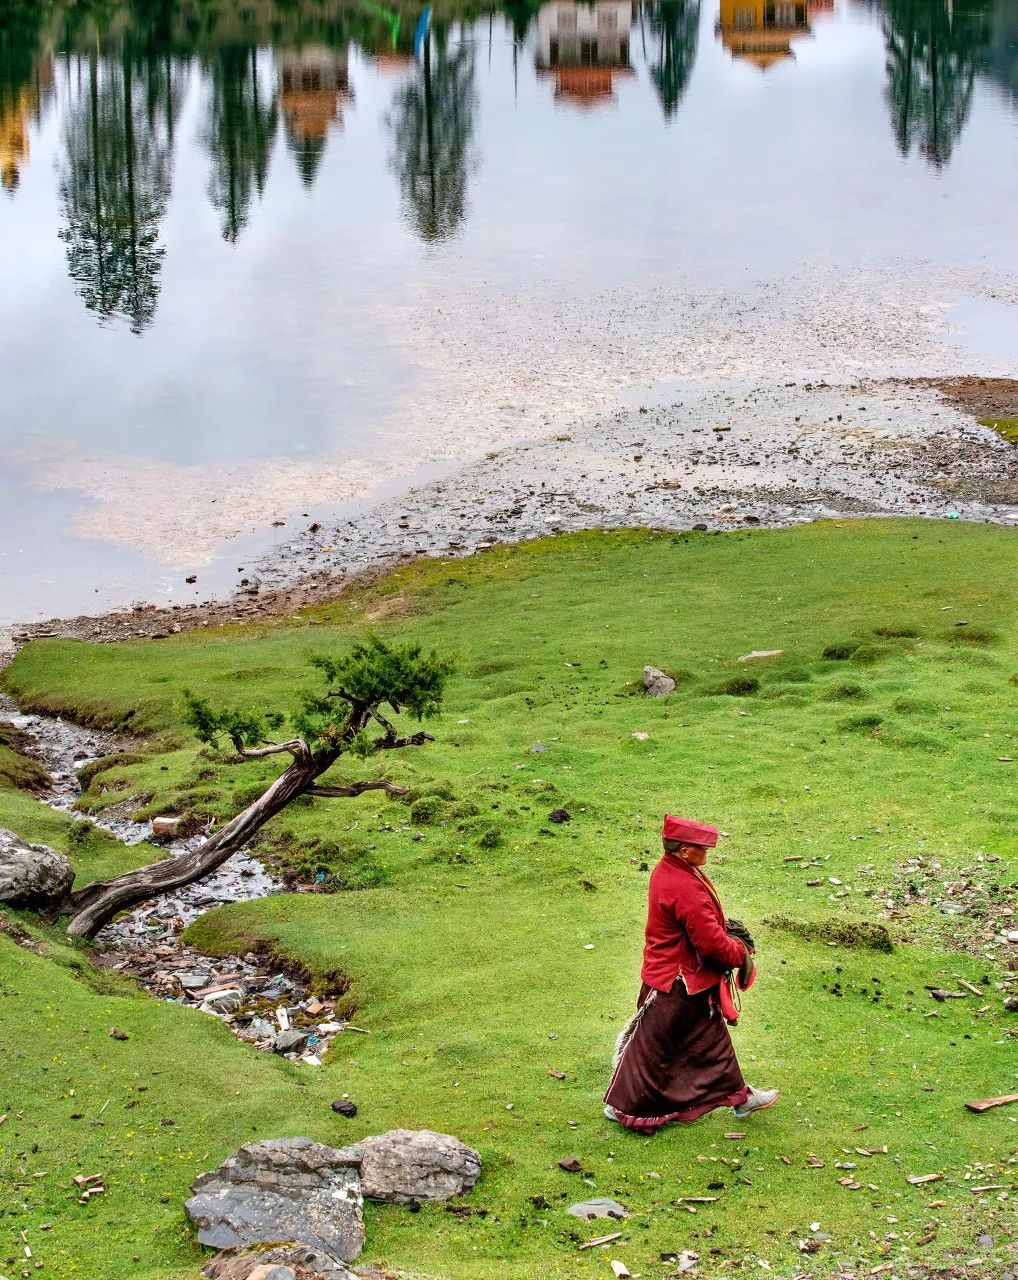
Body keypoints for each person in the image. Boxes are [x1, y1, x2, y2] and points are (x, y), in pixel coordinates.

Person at [603, 814, 778, 1132]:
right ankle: (626, 1109)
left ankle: (742, 1098)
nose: (706, 853)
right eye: (701, 848)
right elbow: (711, 944)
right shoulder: (684, 887)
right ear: (684, 850)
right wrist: (740, 952)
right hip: (679, 984)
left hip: (677, 978)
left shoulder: (668, 870)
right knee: (654, 1051)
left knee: (707, 1045)